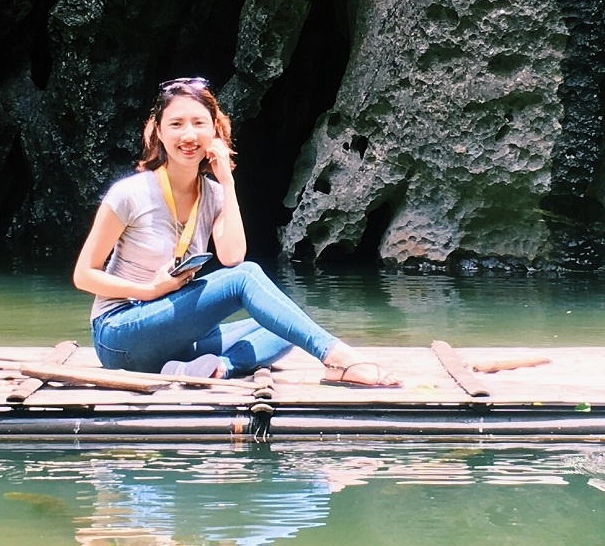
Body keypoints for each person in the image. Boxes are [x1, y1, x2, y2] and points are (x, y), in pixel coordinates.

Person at [74, 78, 392, 384]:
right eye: (176, 124)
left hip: (170, 335)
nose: (188, 135)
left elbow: (232, 256)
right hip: (120, 331)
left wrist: (227, 181)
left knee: (282, 326)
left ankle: (216, 369)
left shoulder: (213, 193)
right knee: (247, 278)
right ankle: (337, 356)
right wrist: (151, 291)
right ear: (158, 131)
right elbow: (83, 275)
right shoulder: (130, 193)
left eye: (199, 123)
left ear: (215, 130)